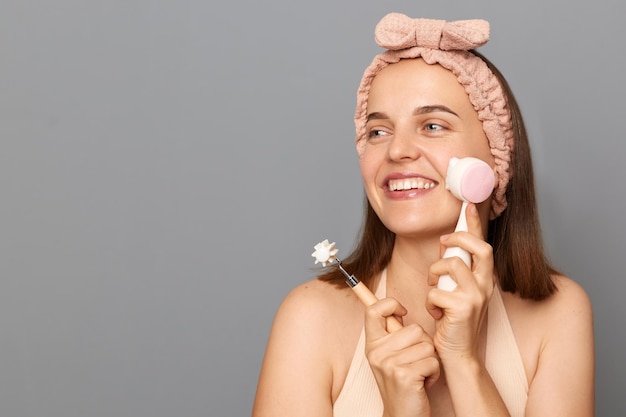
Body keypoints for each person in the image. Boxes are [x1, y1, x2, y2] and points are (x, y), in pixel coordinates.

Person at [252, 12, 594, 417]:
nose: (396, 152)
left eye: (432, 126)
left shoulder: (559, 313)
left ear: (498, 160)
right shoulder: (310, 318)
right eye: (378, 132)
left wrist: (464, 364)